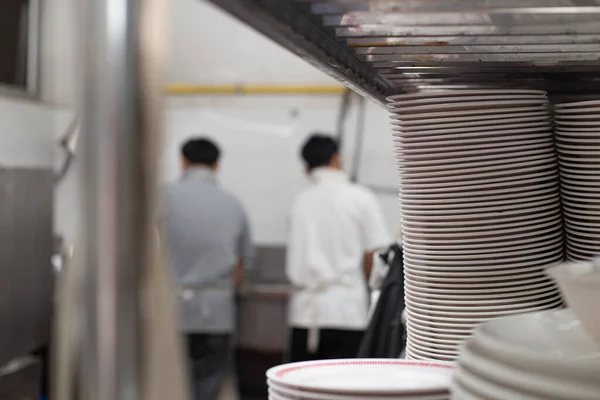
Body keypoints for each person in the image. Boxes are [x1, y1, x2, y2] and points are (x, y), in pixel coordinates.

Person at [286, 133, 392, 362]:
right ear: (337, 159)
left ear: (306, 168)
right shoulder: (361, 198)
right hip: (348, 313)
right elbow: (375, 255)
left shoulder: (300, 202)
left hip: (305, 313)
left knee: (302, 391)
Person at [162, 137, 254, 400]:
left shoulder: (162, 198)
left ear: (183, 162)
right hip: (217, 314)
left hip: (171, 311)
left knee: (169, 384)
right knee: (209, 385)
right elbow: (241, 265)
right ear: (217, 165)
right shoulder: (233, 204)